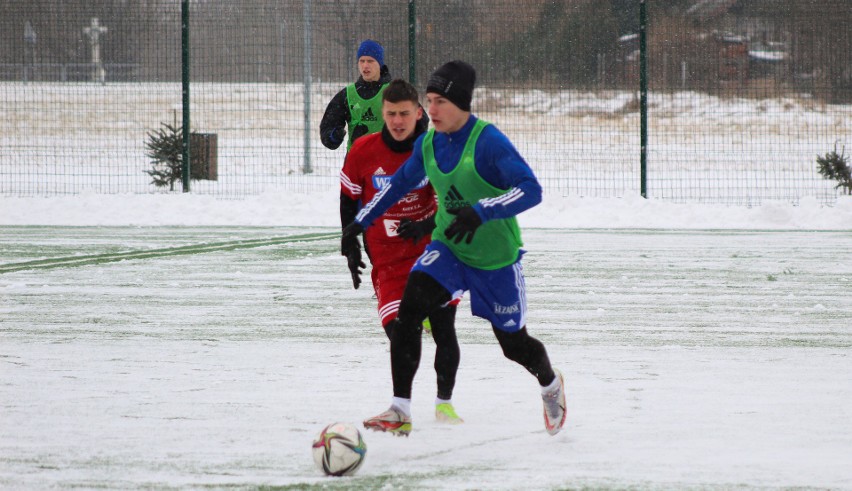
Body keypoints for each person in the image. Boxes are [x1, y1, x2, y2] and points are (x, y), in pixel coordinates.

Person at [343, 60, 566, 437]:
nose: (430, 110)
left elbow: (531, 189)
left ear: (461, 104)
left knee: (514, 345)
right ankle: (400, 409)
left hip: (494, 260)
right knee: (410, 309)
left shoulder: (489, 142)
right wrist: (359, 224)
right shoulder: (430, 142)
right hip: (448, 248)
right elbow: (397, 186)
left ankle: (550, 384)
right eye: (428, 100)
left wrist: (482, 211)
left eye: (439, 101)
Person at [340, 79, 464, 429]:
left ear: (418, 113)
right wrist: (350, 245)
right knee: (399, 333)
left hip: (431, 254)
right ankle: (401, 410)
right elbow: (349, 200)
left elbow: (447, 203)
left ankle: (444, 405)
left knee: (445, 327)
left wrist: (424, 225)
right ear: (382, 113)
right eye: (391, 114)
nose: (397, 121)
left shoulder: (434, 150)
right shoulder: (362, 151)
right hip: (387, 260)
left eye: (404, 114)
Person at [320, 39, 391, 153]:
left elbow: (419, 122)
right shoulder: (347, 95)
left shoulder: (395, 92)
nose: (365, 66)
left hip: (386, 162)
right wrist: (333, 136)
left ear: (380, 64)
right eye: (361, 61)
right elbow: (327, 127)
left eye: (370, 61)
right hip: (355, 163)